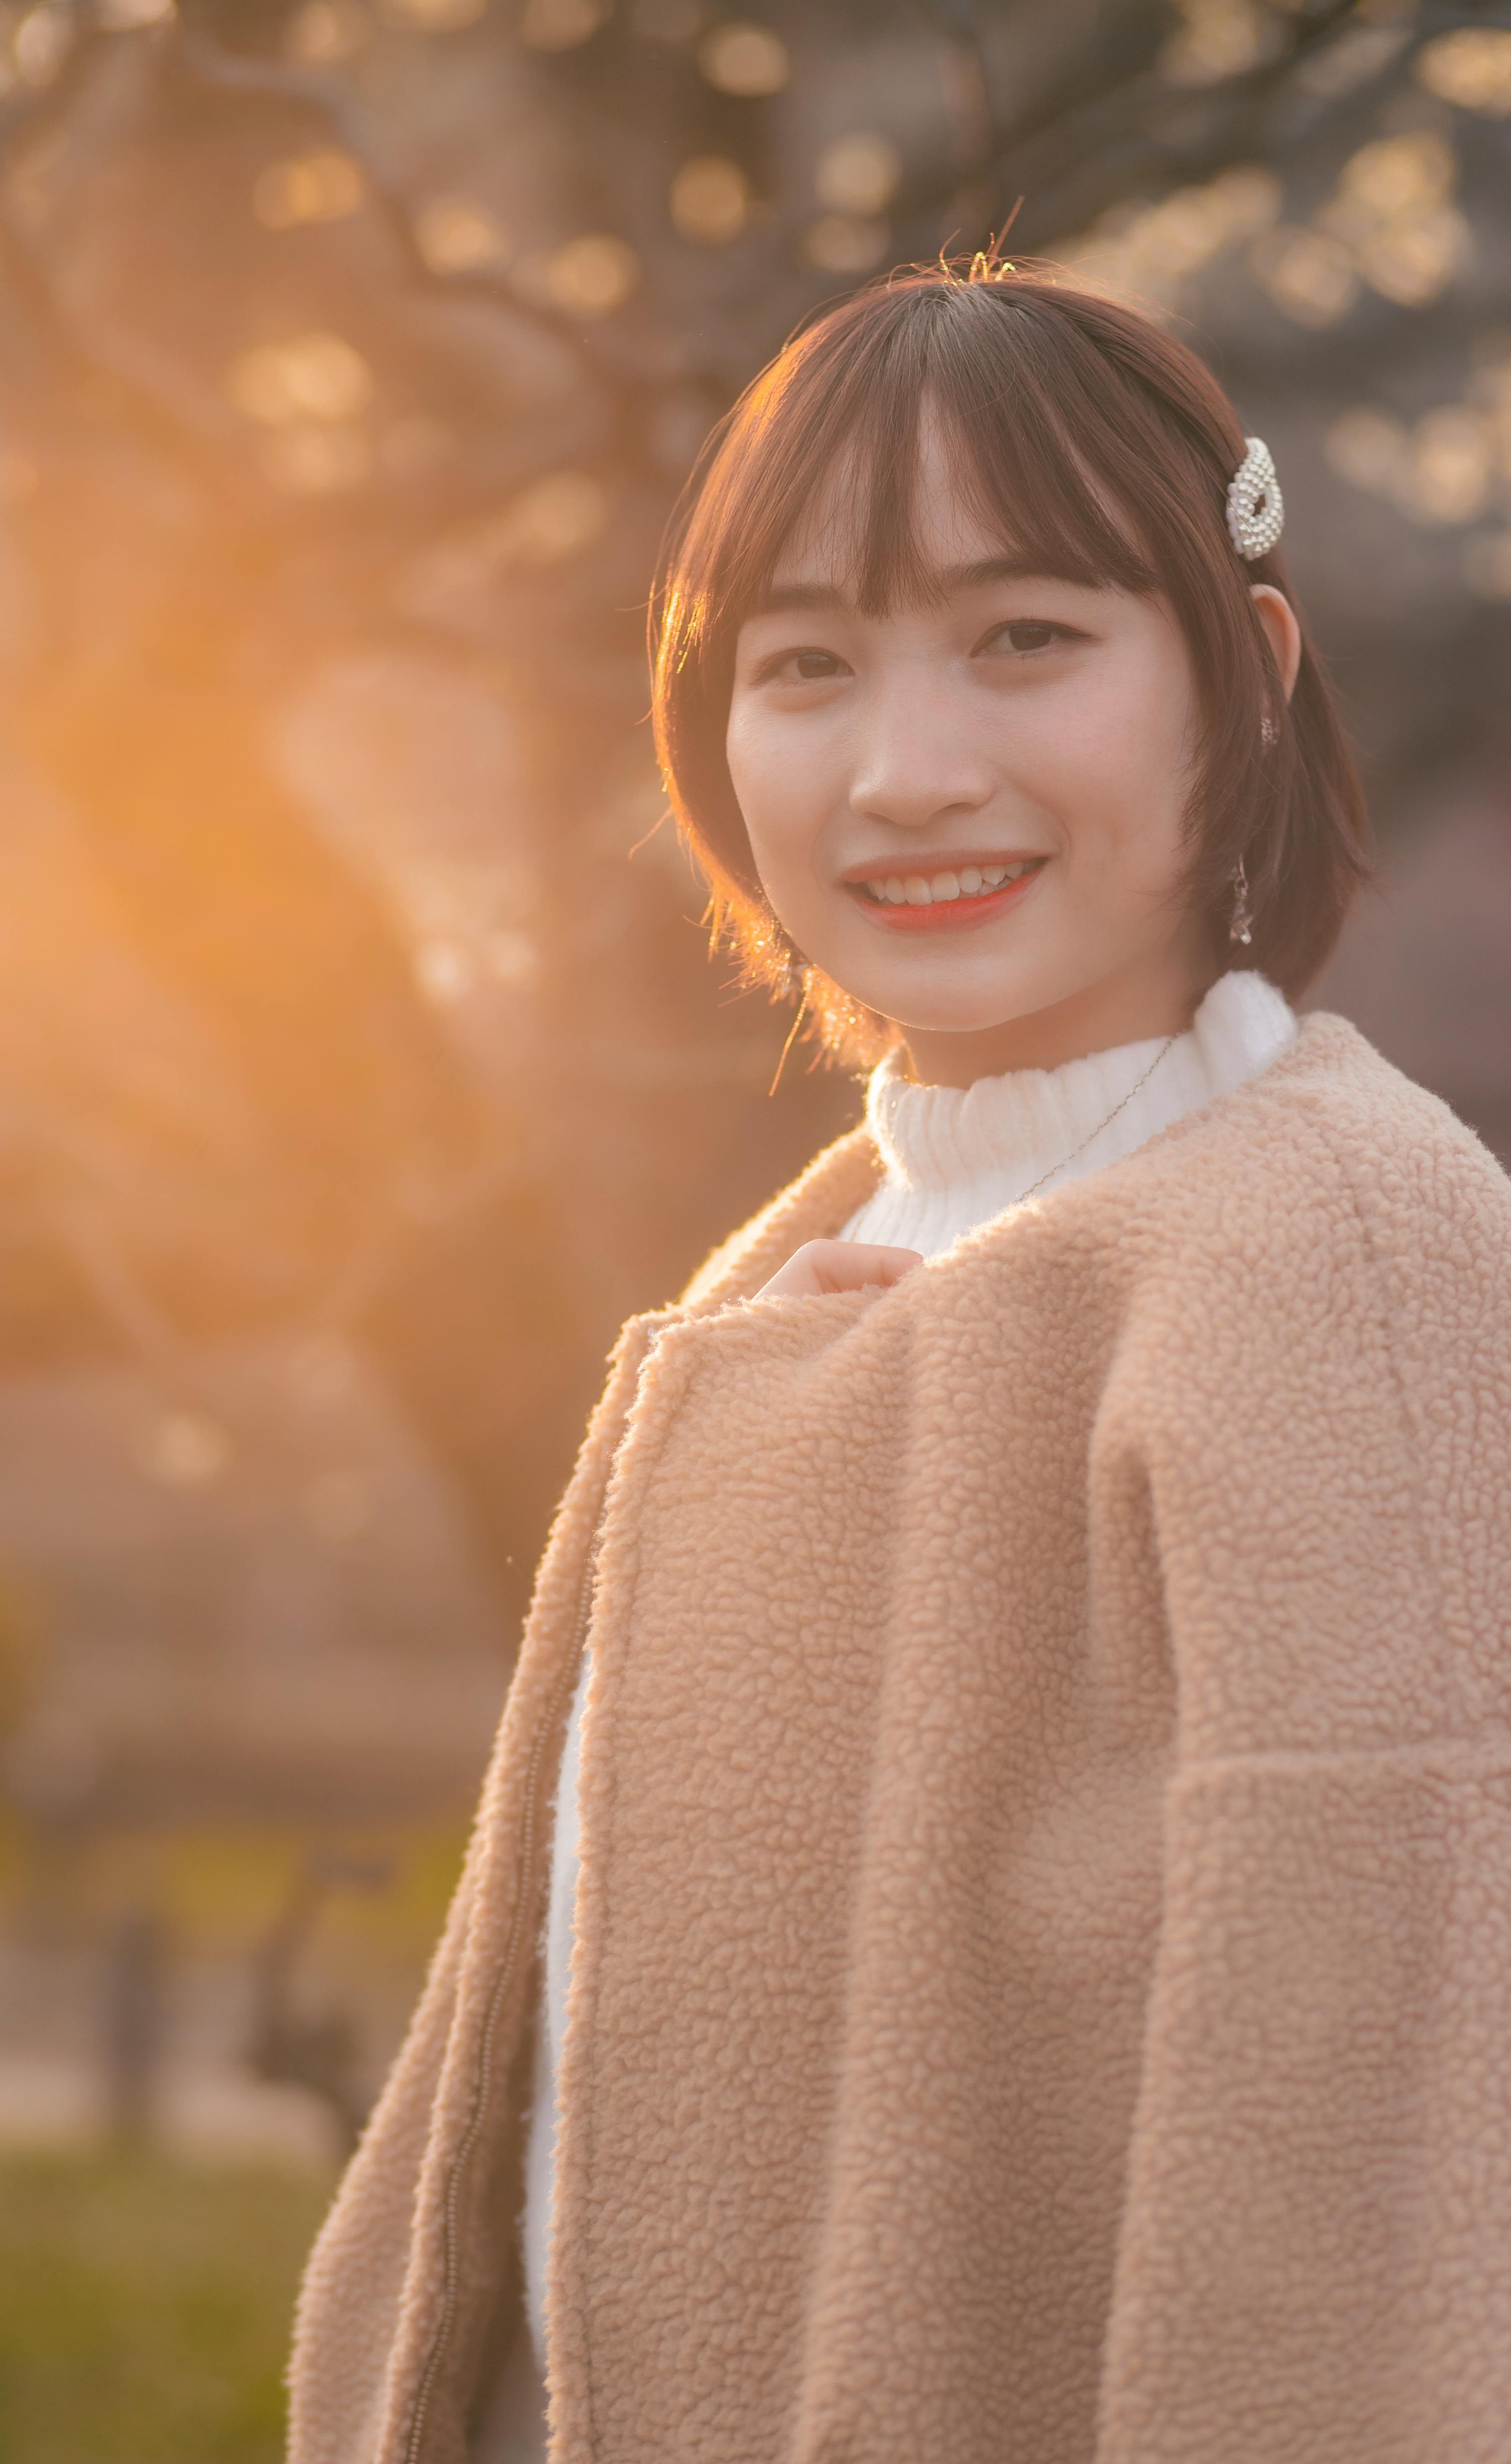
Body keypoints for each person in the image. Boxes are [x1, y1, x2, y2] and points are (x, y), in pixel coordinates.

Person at [287, 263, 1511, 2464]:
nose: (904, 772)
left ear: (1243, 669)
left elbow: (1373, 2212)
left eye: (1027, 636)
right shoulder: (799, 1267)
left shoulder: (1346, 1251)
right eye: (806, 667)